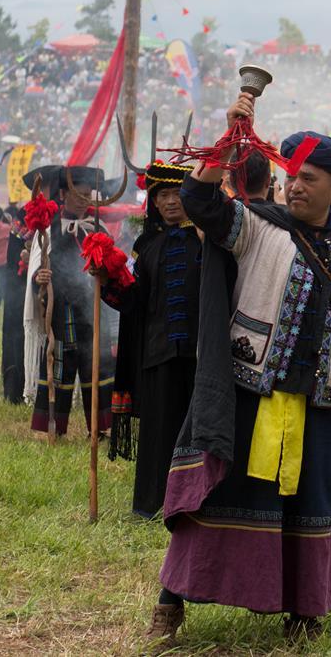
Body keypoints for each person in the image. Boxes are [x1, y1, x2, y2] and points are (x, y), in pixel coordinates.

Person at [148, 93, 331, 647]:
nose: (297, 185)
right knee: (214, 496)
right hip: (245, 393)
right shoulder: (256, 227)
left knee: (310, 504)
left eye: (311, 178)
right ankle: (172, 601)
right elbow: (199, 198)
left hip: (321, 403)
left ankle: (304, 613)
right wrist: (228, 141)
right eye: (293, 175)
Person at [100, 160, 201, 518]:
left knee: (196, 432)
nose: (171, 202)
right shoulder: (147, 248)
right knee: (159, 433)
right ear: (154, 202)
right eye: (163, 195)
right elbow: (134, 302)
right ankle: (154, 503)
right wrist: (108, 280)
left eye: (177, 193)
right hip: (158, 352)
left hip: (200, 355)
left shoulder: (208, 241)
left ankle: (195, 505)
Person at [26, 166, 115, 436]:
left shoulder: (98, 228)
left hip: (93, 313)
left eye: (89, 194)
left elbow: (112, 271)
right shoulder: (48, 230)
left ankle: (99, 429)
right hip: (61, 313)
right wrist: (39, 279)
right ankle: (54, 427)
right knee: (59, 368)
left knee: (96, 368)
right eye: (79, 194)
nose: (85, 199)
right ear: (64, 194)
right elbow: (35, 271)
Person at [2, 165, 62, 404]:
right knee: (19, 335)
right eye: (48, 186)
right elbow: (14, 254)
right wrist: (27, 261)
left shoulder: (61, 216)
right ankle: (17, 387)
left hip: (53, 286)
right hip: (22, 288)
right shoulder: (25, 216)